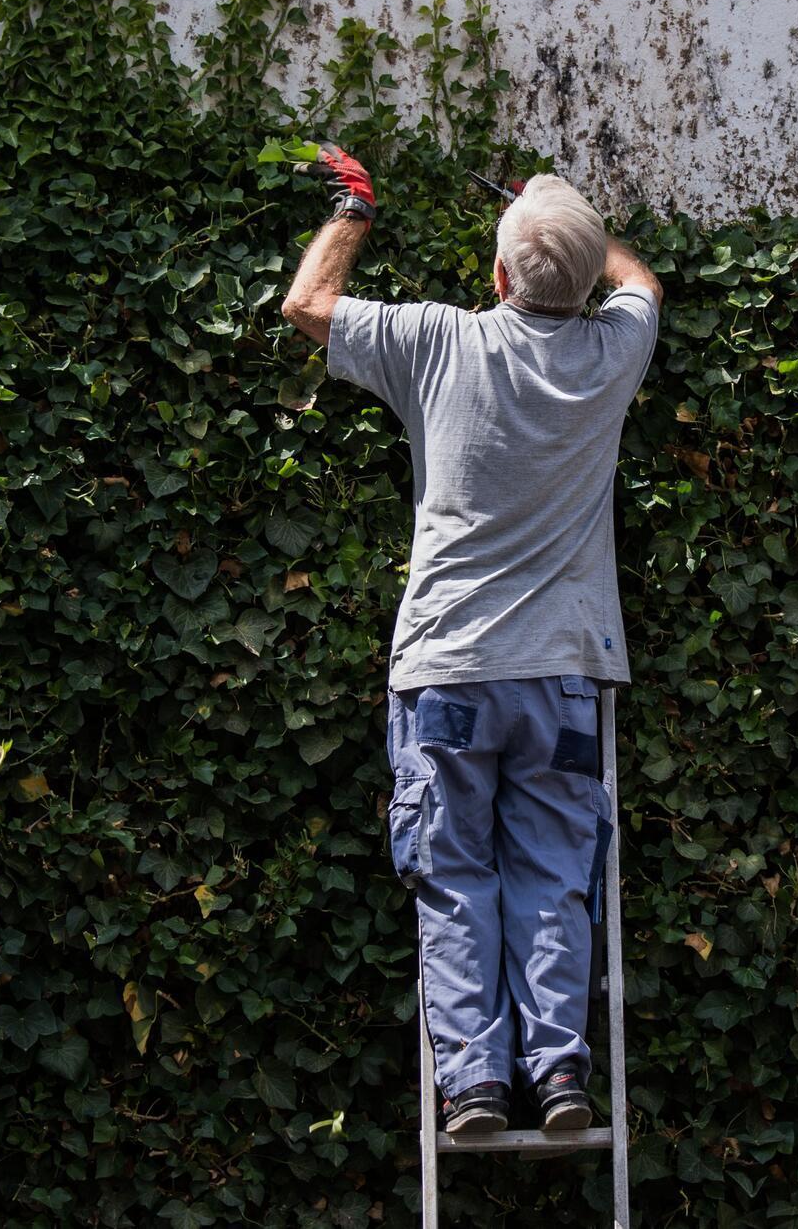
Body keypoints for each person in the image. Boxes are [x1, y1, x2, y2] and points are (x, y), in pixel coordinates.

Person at [279, 144, 663, 1135]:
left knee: (454, 880)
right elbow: (640, 285)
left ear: (495, 275)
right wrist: (570, 220)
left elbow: (308, 305)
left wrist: (355, 208)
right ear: (585, 285)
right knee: (553, 878)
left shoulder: (437, 341)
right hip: (561, 675)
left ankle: (476, 1086)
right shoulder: (613, 353)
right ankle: (561, 1077)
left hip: (447, 668)